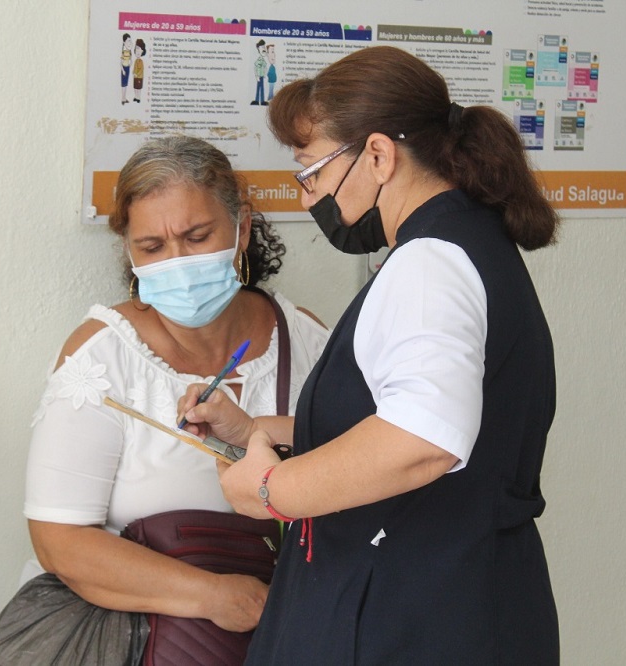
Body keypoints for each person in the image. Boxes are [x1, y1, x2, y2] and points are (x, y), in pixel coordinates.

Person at [178, 46, 561, 664]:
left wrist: (271, 490)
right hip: (457, 592)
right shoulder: (465, 240)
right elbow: (416, 417)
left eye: (311, 172)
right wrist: (256, 432)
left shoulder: (430, 263)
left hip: (419, 610)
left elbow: (422, 440)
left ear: (379, 155)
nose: (307, 197)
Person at [23, 136, 330, 637]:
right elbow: (58, 540)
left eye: (197, 236)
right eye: (153, 247)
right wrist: (215, 597)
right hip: (144, 642)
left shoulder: (309, 342)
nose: (178, 262)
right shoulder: (102, 358)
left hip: (293, 632)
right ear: (130, 252)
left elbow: (362, 466)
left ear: (242, 228)